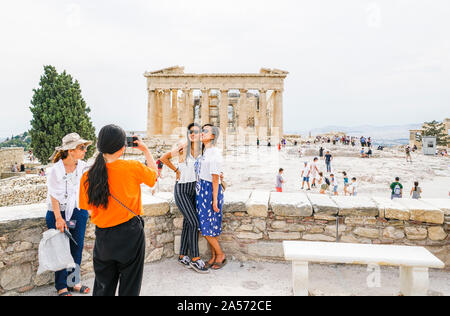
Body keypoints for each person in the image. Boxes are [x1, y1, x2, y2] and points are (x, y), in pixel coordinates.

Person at [79, 125, 158, 296]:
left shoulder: (87, 176)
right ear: (123, 147)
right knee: (130, 284)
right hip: (130, 233)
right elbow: (154, 176)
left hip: (104, 236)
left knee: (102, 286)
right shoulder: (132, 168)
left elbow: (90, 211)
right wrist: (145, 149)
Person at [45, 133, 92, 296]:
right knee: (60, 249)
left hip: (78, 212)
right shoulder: (55, 171)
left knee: (76, 247)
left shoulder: (84, 166)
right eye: (82, 147)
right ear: (71, 150)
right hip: (58, 212)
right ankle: (61, 286)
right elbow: (54, 196)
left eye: (85, 147)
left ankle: (74, 282)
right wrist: (59, 218)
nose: (85, 150)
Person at [160, 123, 208, 273]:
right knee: (194, 222)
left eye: (196, 132)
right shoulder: (182, 147)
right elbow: (163, 158)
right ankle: (195, 258)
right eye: (190, 132)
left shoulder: (202, 149)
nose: (193, 134)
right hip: (181, 190)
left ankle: (182, 255)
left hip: (194, 190)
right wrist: (176, 170)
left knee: (188, 223)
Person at [195, 124, 226, 270]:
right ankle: (213, 256)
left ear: (213, 136)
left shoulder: (214, 153)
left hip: (210, 191)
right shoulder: (205, 152)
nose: (202, 133)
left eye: (205, 131)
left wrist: (214, 200)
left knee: (205, 227)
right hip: (202, 190)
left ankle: (220, 254)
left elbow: (215, 178)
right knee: (210, 226)